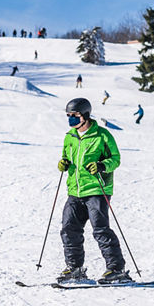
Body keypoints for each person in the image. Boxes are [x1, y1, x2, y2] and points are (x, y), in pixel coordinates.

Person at [56, 97, 130, 284]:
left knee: (100, 230)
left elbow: (115, 159)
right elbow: (66, 156)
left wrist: (101, 165)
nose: (71, 119)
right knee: (68, 229)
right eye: (69, 116)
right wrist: (63, 163)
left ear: (86, 115)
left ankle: (116, 269)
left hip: (97, 189)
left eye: (75, 115)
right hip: (75, 190)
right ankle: (75, 268)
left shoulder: (103, 136)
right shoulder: (69, 137)